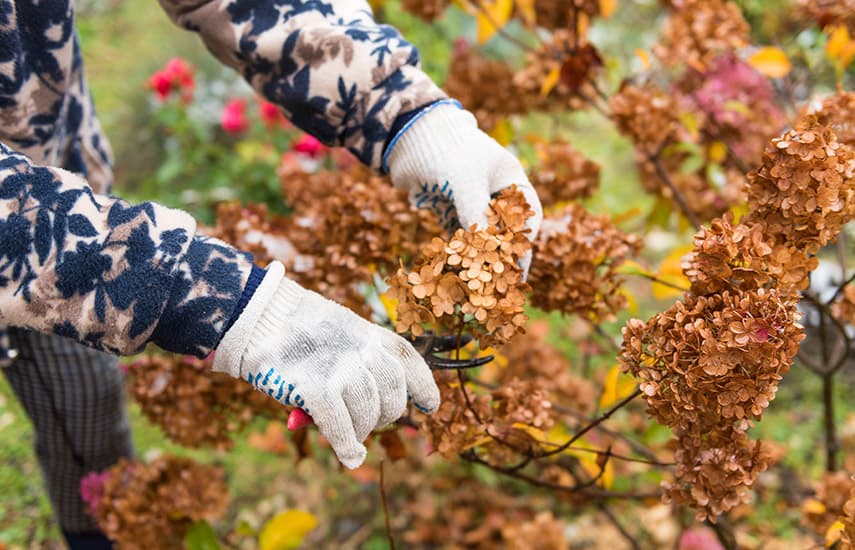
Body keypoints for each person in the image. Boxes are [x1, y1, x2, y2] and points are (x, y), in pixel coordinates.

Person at [0, 0, 543, 547]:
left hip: (53, 163)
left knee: (86, 418)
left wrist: (401, 110)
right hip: (37, 234)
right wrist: (214, 299)